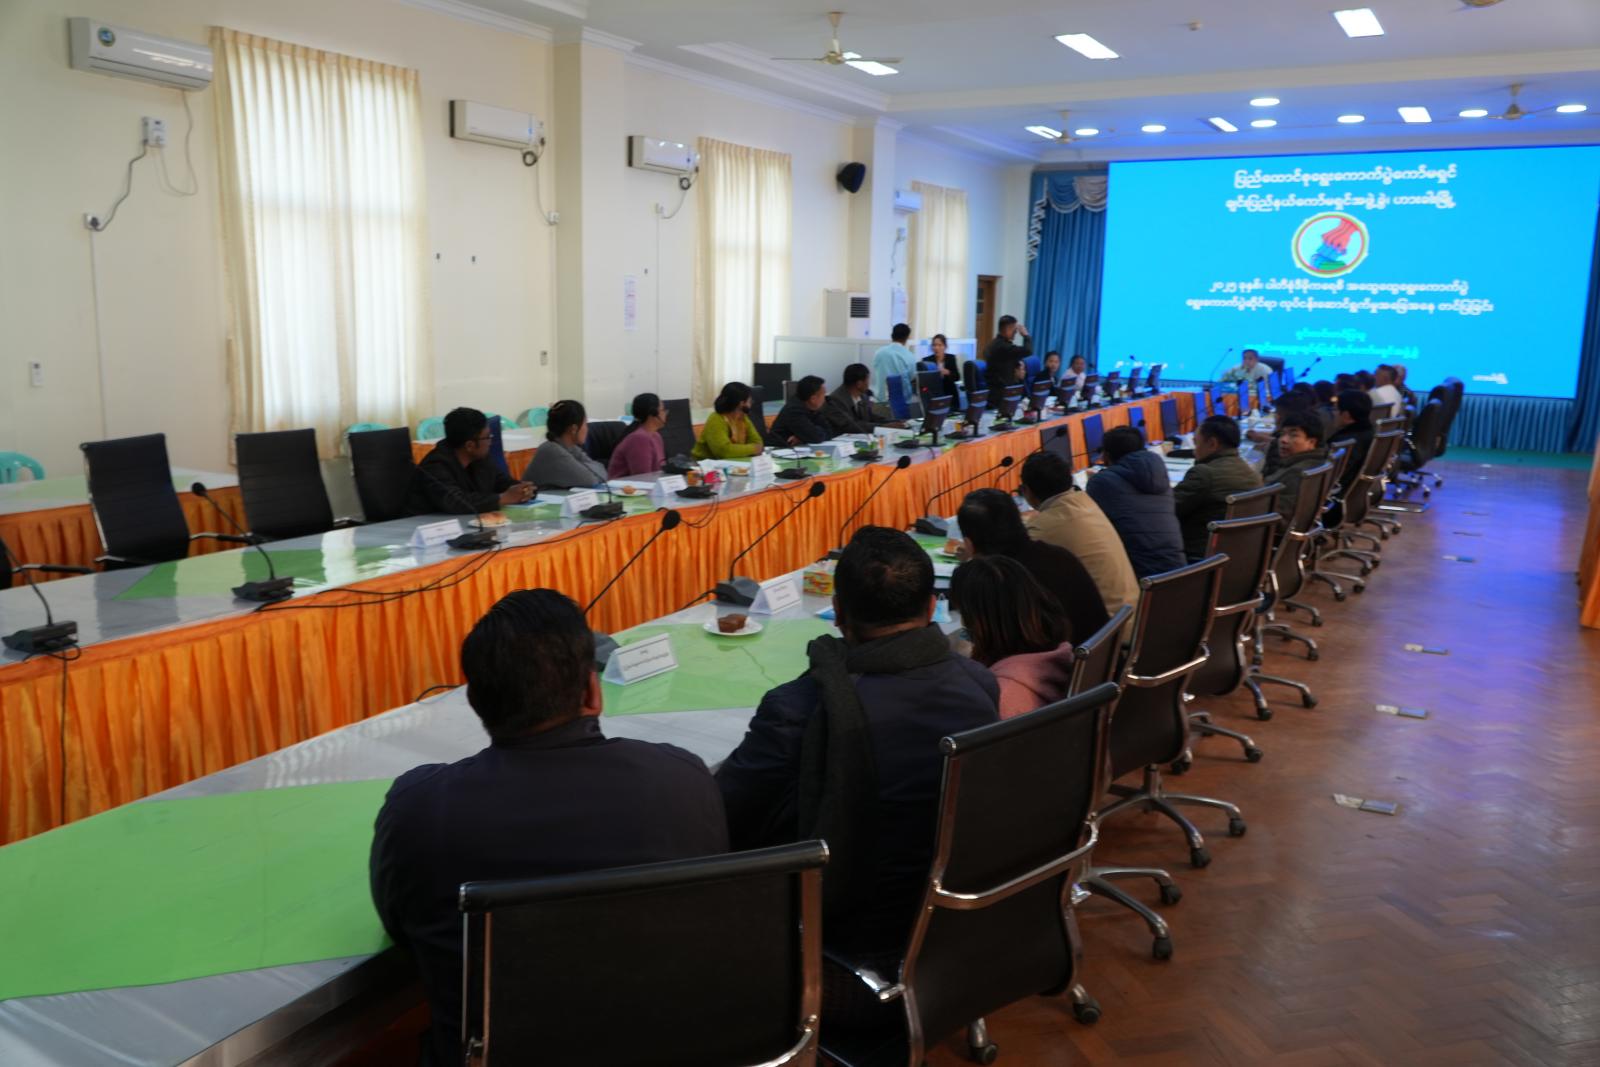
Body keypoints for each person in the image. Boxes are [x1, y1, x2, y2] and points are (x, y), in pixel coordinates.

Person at [370, 589, 729, 1066]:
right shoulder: (683, 779)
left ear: (475, 701)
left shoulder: (418, 810)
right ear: (592, 692)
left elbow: (402, 933)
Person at [715, 526, 998, 985]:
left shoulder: (801, 707)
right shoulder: (979, 683)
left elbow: (724, 816)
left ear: (838, 612)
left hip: (846, 940)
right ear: (931, 607)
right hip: (958, 914)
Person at [956, 488, 1109, 645]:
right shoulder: (1059, 555)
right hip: (1098, 653)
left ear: (969, 545)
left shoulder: (999, 582)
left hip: (1064, 658)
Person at [949, 555, 1075, 719]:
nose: (963, 624)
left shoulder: (1001, 698)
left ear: (980, 623)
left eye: (963, 615)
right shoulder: (1056, 657)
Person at [1017, 451, 1141, 616]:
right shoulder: (1086, 502)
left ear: (1026, 490)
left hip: (1110, 626)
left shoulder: (1043, 529)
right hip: (1133, 614)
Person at [1084, 426, 1188, 577]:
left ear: (1106, 455)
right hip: (1179, 572)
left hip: (1139, 576)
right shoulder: (1158, 471)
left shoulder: (1101, 482)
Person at [408, 406, 534, 515]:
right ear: (470, 445)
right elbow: (456, 502)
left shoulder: (480, 458)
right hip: (423, 527)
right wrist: (502, 498)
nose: (490, 442)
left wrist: (523, 490)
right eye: (487, 437)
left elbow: (501, 482)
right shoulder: (435, 465)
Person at [1173, 415, 1265, 561]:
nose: (1194, 451)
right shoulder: (1249, 471)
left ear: (1212, 444)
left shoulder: (1204, 473)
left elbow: (1167, 510)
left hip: (1200, 556)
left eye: (1196, 443)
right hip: (1238, 556)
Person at [1261, 410, 1330, 527]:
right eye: (1282, 434)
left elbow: (1281, 517)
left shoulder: (1297, 473)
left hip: (1268, 530)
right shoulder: (1315, 462)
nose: (1283, 440)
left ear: (1311, 442)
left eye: (1293, 435)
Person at [525, 399, 610, 489]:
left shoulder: (570, 447)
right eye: (585, 423)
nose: (587, 429)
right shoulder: (551, 450)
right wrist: (590, 470)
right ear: (574, 429)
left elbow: (603, 473)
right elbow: (590, 480)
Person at [692, 382, 766, 460]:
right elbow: (723, 451)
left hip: (735, 463)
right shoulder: (716, 419)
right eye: (749, 401)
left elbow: (758, 443)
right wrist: (753, 449)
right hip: (704, 465)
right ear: (741, 403)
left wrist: (750, 449)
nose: (751, 404)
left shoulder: (742, 417)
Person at [825, 363, 898, 435]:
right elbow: (850, 426)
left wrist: (894, 422)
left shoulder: (863, 396)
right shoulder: (835, 400)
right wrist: (882, 427)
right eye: (868, 380)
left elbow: (870, 417)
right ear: (859, 384)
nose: (869, 383)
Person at [607, 393, 668, 478]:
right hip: (624, 486)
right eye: (663, 410)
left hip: (649, 483)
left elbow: (660, 471)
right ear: (653, 413)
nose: (665, 413)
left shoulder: (656, 436)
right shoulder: (639, 439)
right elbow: (643, 477)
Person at [1329, 389, 1375, 492]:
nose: (1333, 414)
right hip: (1355, 492)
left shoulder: (1345, 443)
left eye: (1335, 410)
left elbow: (1331, 478)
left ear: (1346, 415)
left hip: (1334, 495)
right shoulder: (1369, 432)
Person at [769, 375, 832, 446]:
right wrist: (807, 436)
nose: (825, 398)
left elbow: (829, 432)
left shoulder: (812, 408)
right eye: (823, 395)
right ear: (813, 399)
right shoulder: (794, 410)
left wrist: (803, 437)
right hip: (779, 448)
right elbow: (815, 437)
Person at [982, 315, 1031, 396]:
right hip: (1000, 393)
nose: (1016, 332)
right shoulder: (1002, 346)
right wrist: (1026, 335)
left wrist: (1019, 365)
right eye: (1014, 329)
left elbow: (1007, 359)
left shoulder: (996, 343)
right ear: (1008, 329)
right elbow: (1028, 351)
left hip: (1001, 389)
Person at [872, 323, 920, 400]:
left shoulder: (879, 352)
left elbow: (876, 370)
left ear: (892, 335)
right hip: (902, 401)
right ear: (907, 337)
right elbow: (911, 377)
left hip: (881, 400)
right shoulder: (910, 356)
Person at [927, 333, 962, 401]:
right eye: (934, 345)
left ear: (945, 346)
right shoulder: (927, 360)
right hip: (933, 395)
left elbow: (957, 377)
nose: (936, 348)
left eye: (940, 345)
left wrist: (948, 372)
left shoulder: (951, 358)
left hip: (950, 394)